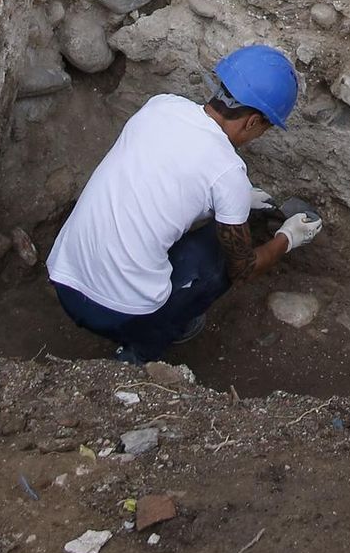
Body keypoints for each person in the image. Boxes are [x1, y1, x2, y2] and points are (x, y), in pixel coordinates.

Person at [47, 44, 321, 365]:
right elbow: (243, 269)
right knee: (220, 255)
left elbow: (164, 183)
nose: (261, 134)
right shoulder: (228, 173)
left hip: (65, 281)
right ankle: (139, 353)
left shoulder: (160, 106)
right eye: (265, 127)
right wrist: (288, 239)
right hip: (116, 313)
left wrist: (231, 200)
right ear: (252, 122)